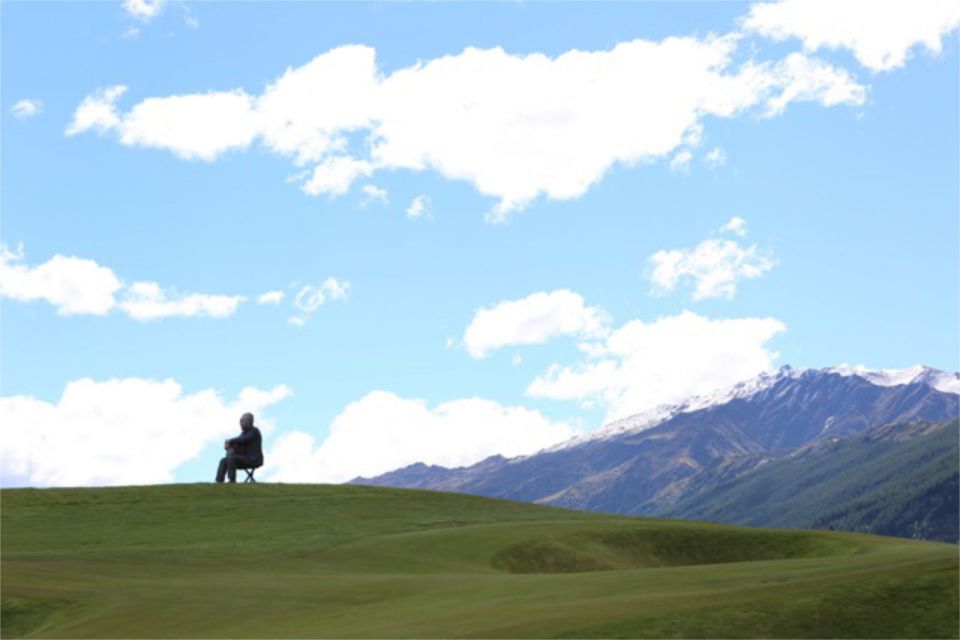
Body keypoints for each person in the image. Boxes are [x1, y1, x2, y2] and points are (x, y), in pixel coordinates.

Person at [216, 412, 263, 483]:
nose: (240, 423)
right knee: (223, 461)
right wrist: (230, 446)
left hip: (253, 459)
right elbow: (239, 440)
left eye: (241, 421)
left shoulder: (254, 431)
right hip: (244, 459)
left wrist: (230, 441)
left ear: (248, 421)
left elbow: (244, 439)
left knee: (231, 458)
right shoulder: (243, 433)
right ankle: (219, 482)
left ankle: (232, 480)